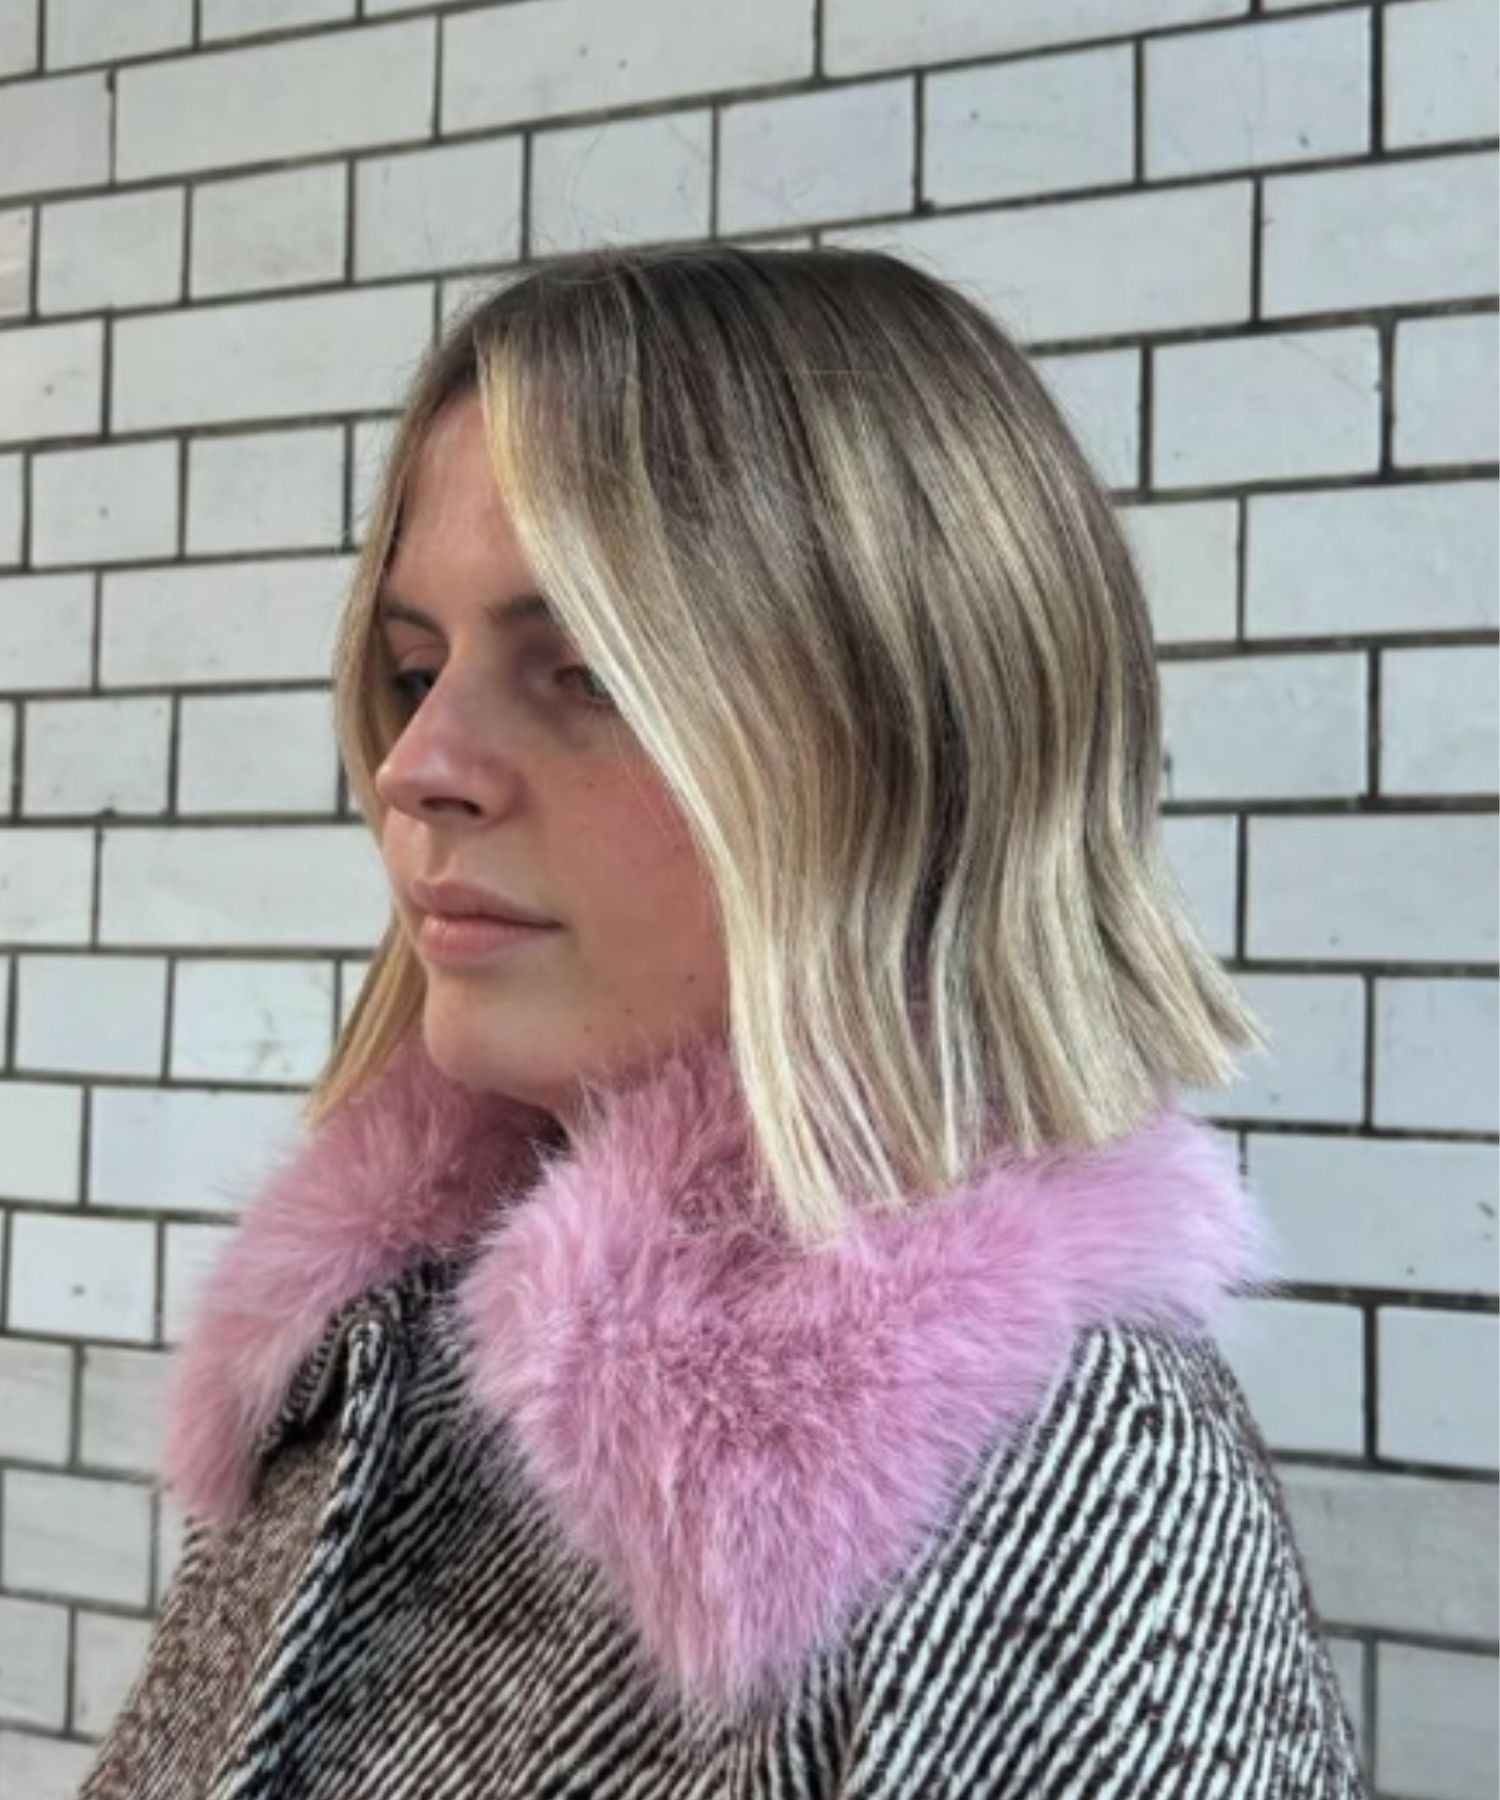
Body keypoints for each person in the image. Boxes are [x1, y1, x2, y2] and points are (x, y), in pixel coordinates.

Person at [79, 243, 1370, 1797]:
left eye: (588, 673)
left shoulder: (1052, 1484)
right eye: (416, 668)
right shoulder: (378, 1347)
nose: (419, 765)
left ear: (910, 743)